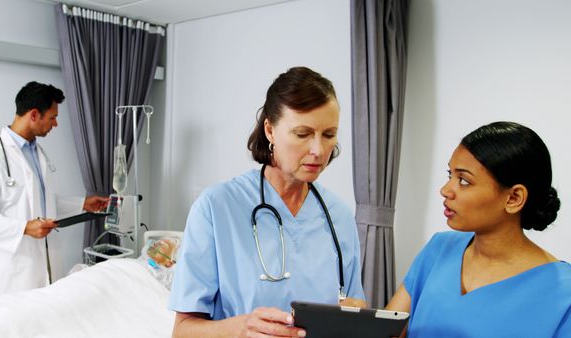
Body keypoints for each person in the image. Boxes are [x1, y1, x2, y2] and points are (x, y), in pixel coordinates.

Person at [168, 67, 366, 337]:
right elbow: (183, 331)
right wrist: (241, 329)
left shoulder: (339, 217)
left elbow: (352, 308)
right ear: (270, 131)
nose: (319, 150)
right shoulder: (217, 207)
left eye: (329, 135)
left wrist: (355, 321)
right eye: (303, 133)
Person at [386, 121, 571, 337]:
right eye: (450, 176)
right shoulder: (439, 249)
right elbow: (388, 331)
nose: (446, 190)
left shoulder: (563, 293)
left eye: (463, 181)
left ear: (514, 198)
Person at [0, 81, 109, 296]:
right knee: (20, 325)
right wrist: (24, 228)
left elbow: (41, 201)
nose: (56, 124)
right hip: (16, 270)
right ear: (33, 115)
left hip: (46, 262)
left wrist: (83, 204)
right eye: (52, 117)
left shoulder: (35, 152)